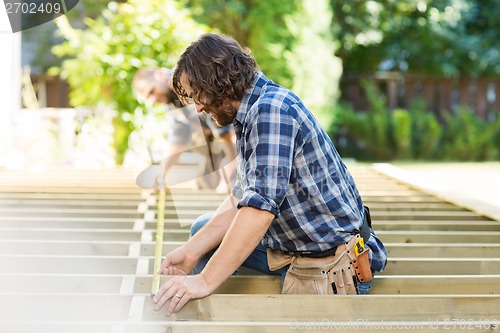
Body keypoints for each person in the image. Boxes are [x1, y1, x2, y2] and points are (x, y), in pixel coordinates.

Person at [152, 33, 387, 316]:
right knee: (202, 232)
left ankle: (226, 317)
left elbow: (257, 211)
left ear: (220, 81)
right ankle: (215, 313)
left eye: (198, 94)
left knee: (212, 262)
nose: (198, 107)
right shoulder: (251, 111)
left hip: (335, 263)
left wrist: (205, 280)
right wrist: (190, 251)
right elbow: (242, 196)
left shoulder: (271, 111)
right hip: (303, 245)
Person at [132, 67, 236, 191]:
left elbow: (223, 127)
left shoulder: (187, 80)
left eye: (152, 91)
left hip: (239, 135)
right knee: (203, 188)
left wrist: (233, 160)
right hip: (216, 144)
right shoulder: (172, 102)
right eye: (149, 98)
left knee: (234, 183)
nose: (153, 99)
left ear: (160, 75)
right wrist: (162, 171)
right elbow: (178, 138)